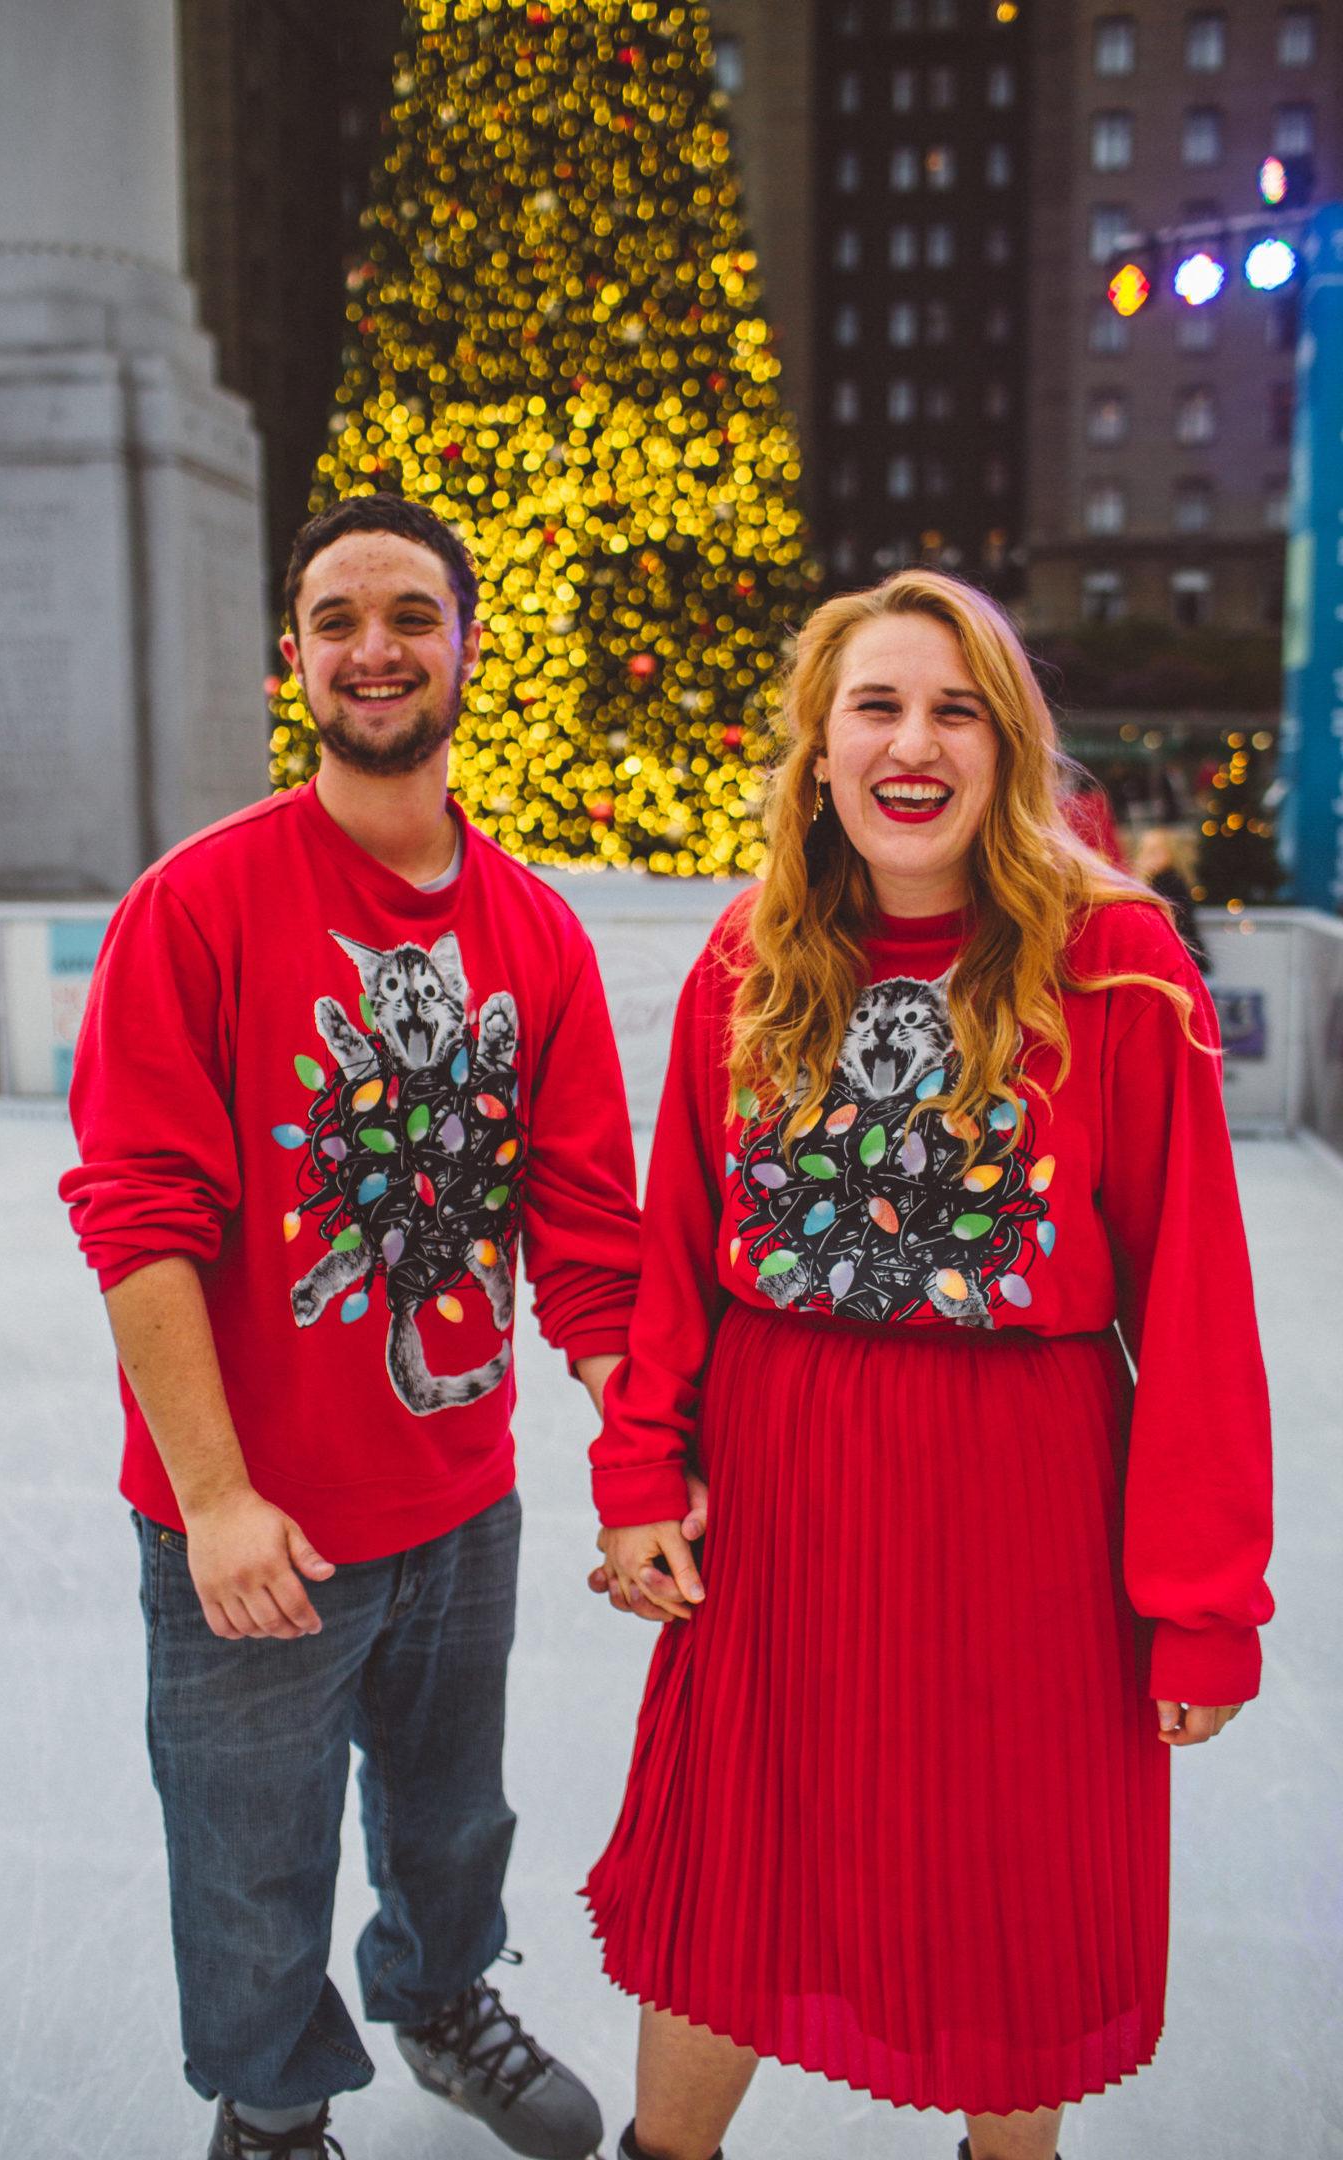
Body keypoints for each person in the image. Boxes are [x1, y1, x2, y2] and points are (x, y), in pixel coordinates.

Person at [584, 571, 1273, 2160]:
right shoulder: (747, 958)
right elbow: (676, 1246)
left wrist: (1200, 1604)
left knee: (1006, 1880)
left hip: (1024, 1507)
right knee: (731, 1867)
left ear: (1008, 745)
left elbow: (1197, 1311)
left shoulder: (1116, 959)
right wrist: (638, 1477)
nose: (914, 743)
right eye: (877, 707)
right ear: (819, 751)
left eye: (955, 708)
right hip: (779, 1496)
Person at [61, 495, 641, 2160]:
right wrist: (220, 1498)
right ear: (294, 659)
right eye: (335, 619)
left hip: (462, 1500)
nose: (372, 646)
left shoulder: (533, 931)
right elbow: (139, 1224)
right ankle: (273, 2102)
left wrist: (642, 1452)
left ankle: (442, 1996)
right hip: (259, 1518)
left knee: (455, 1818)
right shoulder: (198, 905)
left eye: (407, 613)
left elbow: (590, 1236)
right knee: (250, 1853)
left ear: (466, 645)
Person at [1133, 826, 1211, 974]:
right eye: (1146, 850)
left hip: (1174, 958)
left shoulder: (1168, 883)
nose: (1149, 856)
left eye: (1156, 850)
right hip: (1178, 957)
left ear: (1171, 853)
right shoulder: (1160, 883)